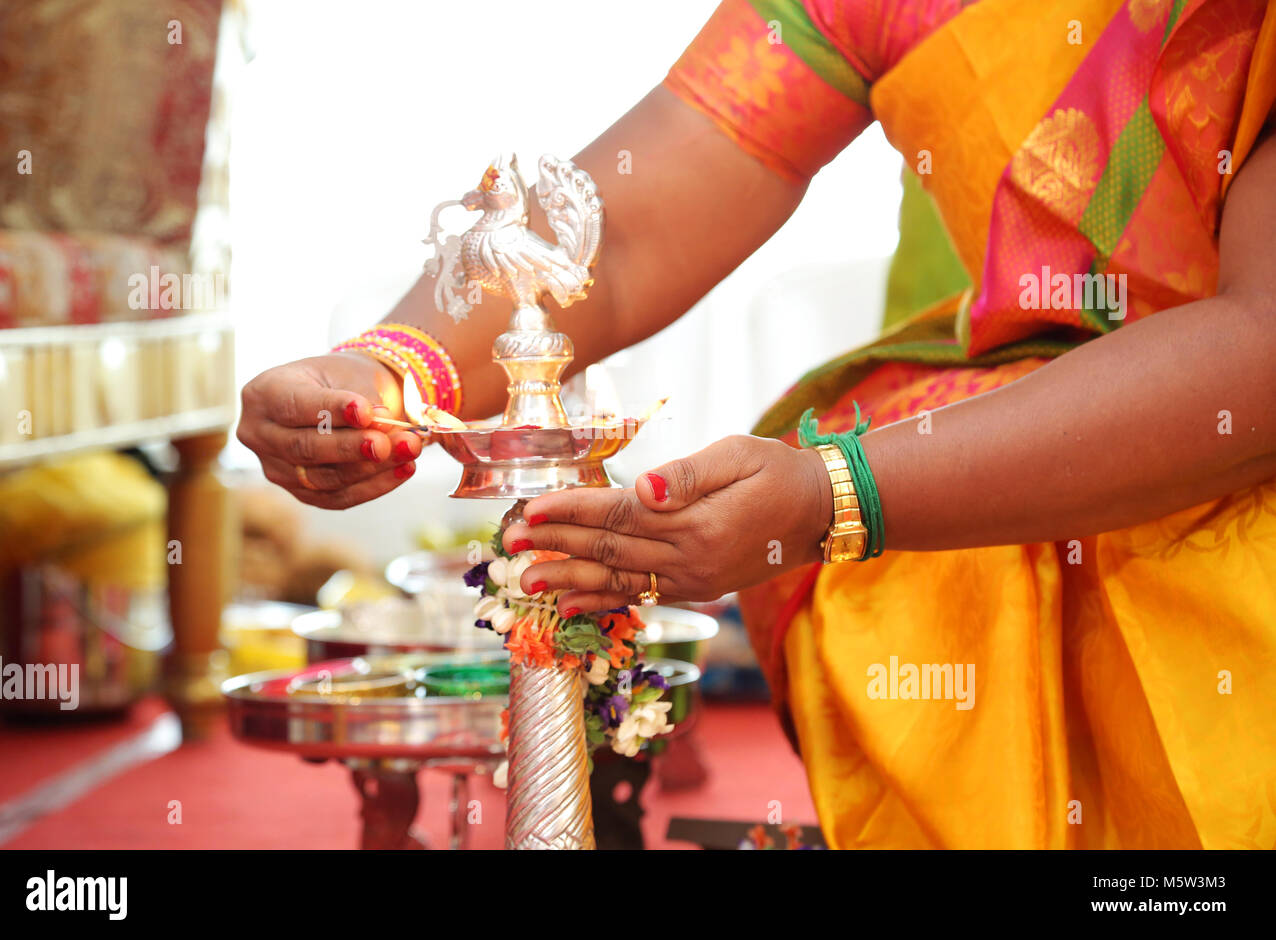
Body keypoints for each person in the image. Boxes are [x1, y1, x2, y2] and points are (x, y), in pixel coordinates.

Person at [237, 0, 1276, 849]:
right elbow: (630, 224)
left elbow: (1260, 348)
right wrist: (387, 362)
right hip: (1026, 453)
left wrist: (840, 494)